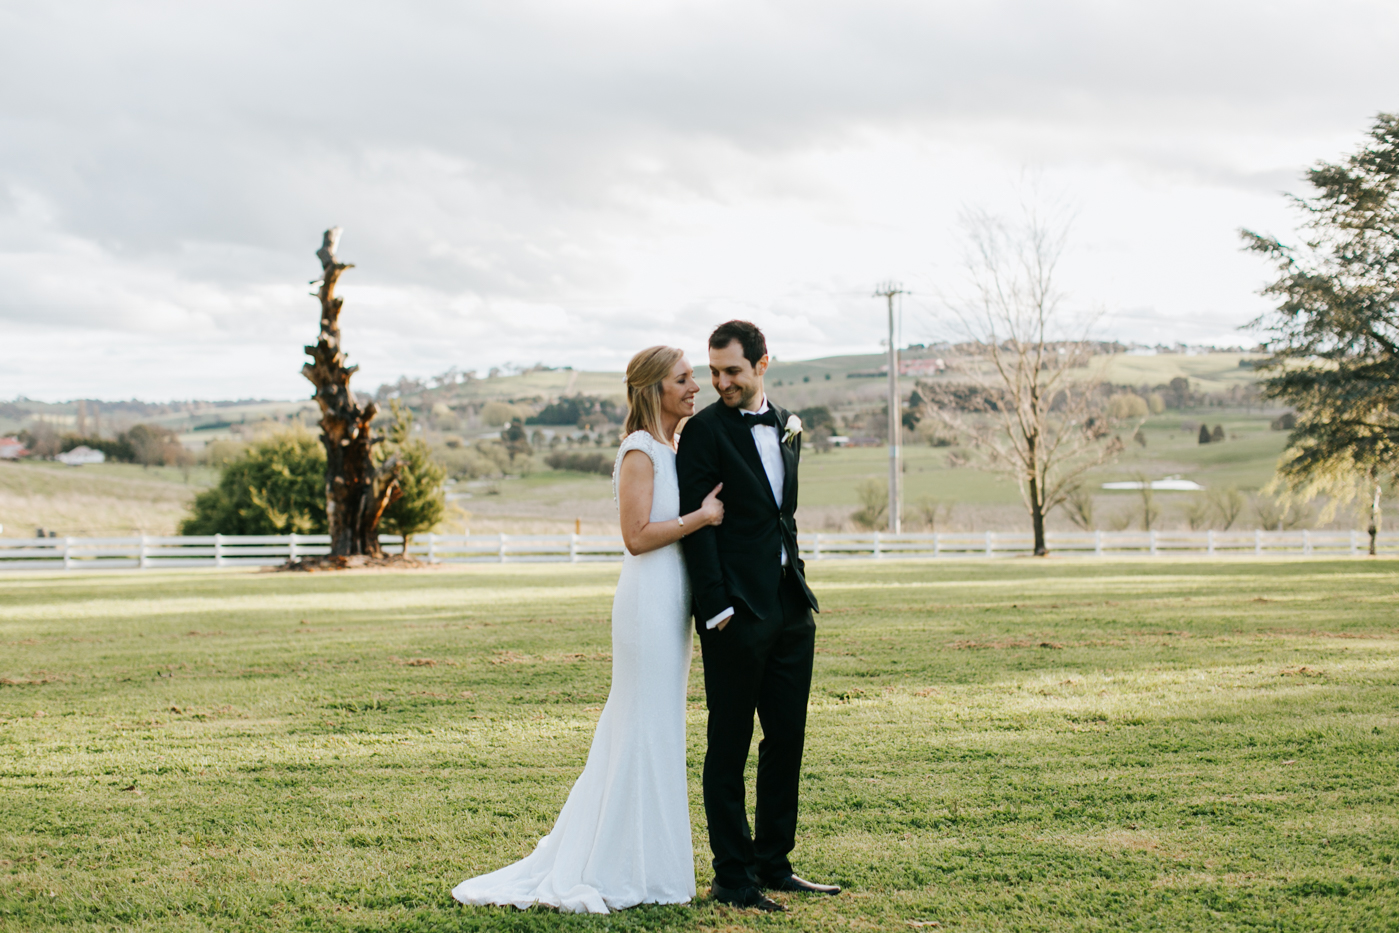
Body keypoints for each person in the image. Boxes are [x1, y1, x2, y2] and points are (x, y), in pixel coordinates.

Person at [452, 346, 725, 914]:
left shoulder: (675, 447)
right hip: (647, 604)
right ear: (655, 390)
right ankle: (618, 867)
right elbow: (637, 535)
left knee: (657, 729)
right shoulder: (639, 451)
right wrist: (701, 517)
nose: (695, 386)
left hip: (672, 604)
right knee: (641, 729)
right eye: (684, 379)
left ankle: (650, 864)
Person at [677, 320, 841, 912]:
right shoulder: (702, 432)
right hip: (735, 613)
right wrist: (716, 609)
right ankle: (732, 876)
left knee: (786, 738)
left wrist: (796, 584)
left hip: (790, 605)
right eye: (714, 372)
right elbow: (697, 530)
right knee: (730, 742)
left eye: (733, 372)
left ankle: (774, 863)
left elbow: (781, 516)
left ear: (762, 365)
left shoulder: (789, 424)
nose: (720, 382)